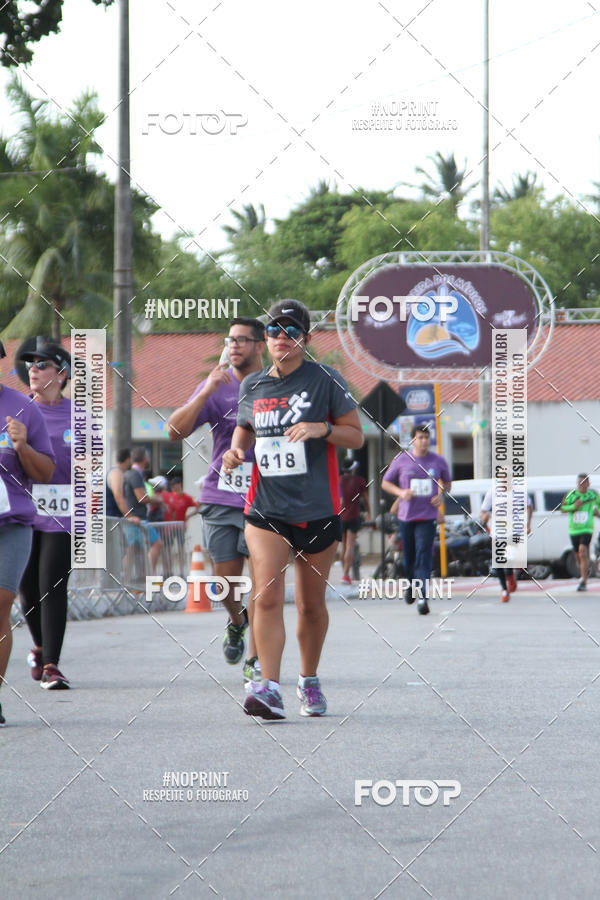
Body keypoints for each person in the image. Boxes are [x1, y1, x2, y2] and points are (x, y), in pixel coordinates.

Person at [222, 299, 363, 720]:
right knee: (265, 596)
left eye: (289, 332)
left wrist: (322, 428)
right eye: (273, 331)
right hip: (267, 507)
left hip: (319, 507)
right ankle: (267, 686)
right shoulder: (253, 386)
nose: (280, 338)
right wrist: (234, 453)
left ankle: (309, 679)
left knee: (309, 606)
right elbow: (243, 433)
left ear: (305, 338)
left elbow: (356, 436)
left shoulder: (325, 380)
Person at [168, 318, 265, 680]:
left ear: (260, 346)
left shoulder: (274, 386)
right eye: (231, 340)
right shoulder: (218, 386)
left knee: (263, 584)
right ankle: (236, 621)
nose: (235, 345)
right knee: (225, 584)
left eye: (243, 340)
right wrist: (206, 389)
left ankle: (256, 662)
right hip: (221, 497)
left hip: (266, 501)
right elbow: (175, 430)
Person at [0, 340, 55, 725]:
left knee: (0, 604)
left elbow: (45, 473)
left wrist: (21, 447)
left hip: (12, 524)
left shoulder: (23, 409)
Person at [17, 340, 74, 690]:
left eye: (43, 364)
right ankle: (39, 647)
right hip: (23, 509)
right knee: (26, 588)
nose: (34, 370)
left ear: (62, 373)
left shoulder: (81, 417)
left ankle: (52, 664)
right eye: (30, 365)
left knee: (52, 583)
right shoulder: (18, 411)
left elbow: (92, 472)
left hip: (64, 512)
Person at [381, 424, 451, 615]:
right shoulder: (402, 460)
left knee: (423, 555)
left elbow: (447, 483)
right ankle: (411, 586)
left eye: (426, 438)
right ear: (412, 440)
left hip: (427, 517)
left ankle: (423, 597)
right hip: (406, 516)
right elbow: (385, 483)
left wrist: (441, 495)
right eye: (420, 438)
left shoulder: (438, 461)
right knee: (408, 558)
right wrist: (401, 492)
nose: (423, 441)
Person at [481, 488, 533, 602]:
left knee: (510, 557)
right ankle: (504, 590)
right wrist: (484, 517)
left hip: (514, 530)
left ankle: (510, 575)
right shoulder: (492, 492)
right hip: (497, 531)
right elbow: (483, 511)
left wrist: (528, 524)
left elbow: (529, 507)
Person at [122, 447, 164, 571]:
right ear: (145, 459)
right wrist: (158, 501)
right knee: (157, 543)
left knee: (132, 549)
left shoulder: (128, 474)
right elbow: (142, 498)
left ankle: (124, 580)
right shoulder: (135, 475)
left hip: (131, 517)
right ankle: (149, 577)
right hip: (137, 518)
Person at [561, 474, 600, 591]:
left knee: (583, 552)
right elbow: (563, 509)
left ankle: (583, 581)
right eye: (579, 483)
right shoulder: (572, 495)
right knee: (578, 555)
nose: (581, 485)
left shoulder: (593, 495)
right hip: (574, 530)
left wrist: (597, 513)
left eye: (583, 483)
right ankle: (584, 568)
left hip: (587, 529)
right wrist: (574, 506)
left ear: (588, 484)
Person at [339, 459, 371, 584]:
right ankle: (346, 575)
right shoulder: (359, 481)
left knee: (343, 547)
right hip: (354, 516)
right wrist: (369, 512)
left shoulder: (338, 480)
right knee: (350, 547)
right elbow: (366, 500)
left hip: (340, 516)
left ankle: (344, 573)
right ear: (352, 469)